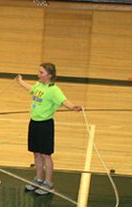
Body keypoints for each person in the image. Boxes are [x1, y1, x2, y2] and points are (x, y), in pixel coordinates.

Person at [16, 63, 82, 195]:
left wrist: (73, 107)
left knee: (46, 155)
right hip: (34, 123)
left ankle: (48, 183)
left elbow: (63, 100)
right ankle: (39, 179)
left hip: (45, 125)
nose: (38, 74)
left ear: (49, 75)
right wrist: (20, 81)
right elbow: (31, 89)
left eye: (41, 72)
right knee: (36, 153)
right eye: (38, 71)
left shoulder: (54, 90)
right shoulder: (39, 85)